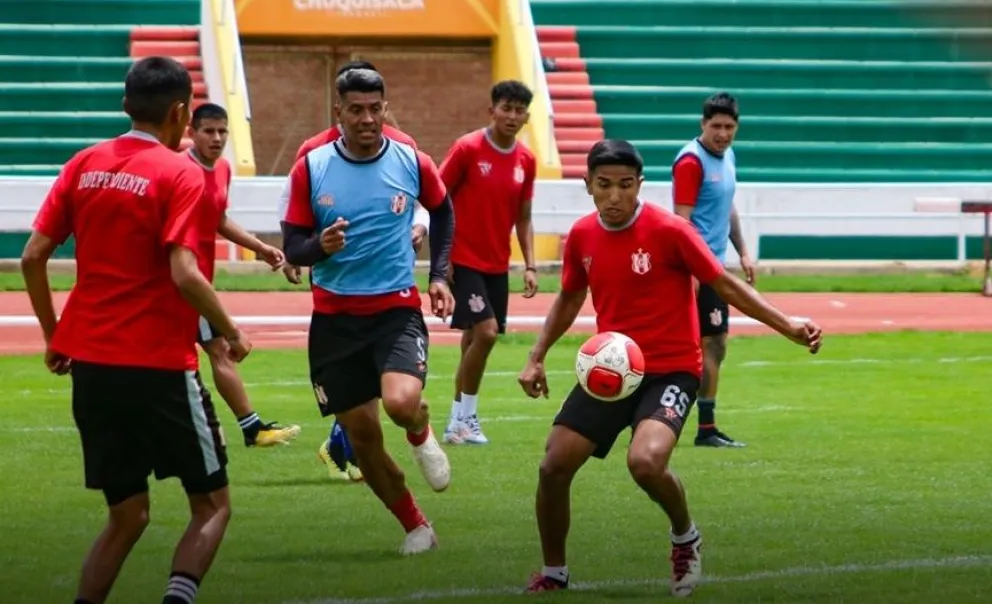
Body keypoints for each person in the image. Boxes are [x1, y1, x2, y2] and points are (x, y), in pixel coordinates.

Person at [517, 140, 821, 597]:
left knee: (645, 462)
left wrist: (786, 324)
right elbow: (570, 296)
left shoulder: (670, 230)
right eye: (604, 185)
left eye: (625, 185)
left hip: (672, 370)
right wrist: (536, 356)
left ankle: (685, 537)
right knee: (553, 466)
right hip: (612, 369)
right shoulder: (581, 236)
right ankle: (554, 573)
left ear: (640, 185)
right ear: (588, 187)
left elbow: (722, 282)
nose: (615, 196)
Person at [20, 56, 251, 604]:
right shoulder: (182, 173)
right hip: (159, 365)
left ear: (126, 106)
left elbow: (33, 257)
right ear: (180, 112)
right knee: (213, 505)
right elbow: (184, 272)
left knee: (127, 515)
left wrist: (55, 335)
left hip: (92, 366)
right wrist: (231, 329)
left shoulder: (83, 164)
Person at [280, 68, 456, 555]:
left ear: (385, 107)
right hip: (334, 321)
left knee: (400, 403)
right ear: (338, 112)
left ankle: (420, 432)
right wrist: (321, 246)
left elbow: (442, 209)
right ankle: (416, 527)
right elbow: (293, 246)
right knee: (362, 436)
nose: (367, 119)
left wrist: (439, 276)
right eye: (355, 110)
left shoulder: (410, 158)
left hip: (395, 310)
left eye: (374, 108)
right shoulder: (310, 167)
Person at [185, 102, 302, 448]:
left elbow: (218, 219)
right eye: (209, 131)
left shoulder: (221, 170)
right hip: (180, 282)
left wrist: (260, 247)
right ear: (191, 133)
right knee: (217, 349)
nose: (217, 138)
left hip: (197, 280)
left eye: (223, 131)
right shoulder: (180, 171)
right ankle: (242, 428)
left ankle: (249, 428)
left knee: (214, 350)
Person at [440, 80, 539, 446]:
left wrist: (530, 264)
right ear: (491, 110)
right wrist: (442, 255)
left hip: (497, 264)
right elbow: (438, 198)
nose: (512, 116)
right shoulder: (467, 148)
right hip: (464, 258)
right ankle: (466, 417)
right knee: (486, 332)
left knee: (472, 341)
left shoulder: (526, 160)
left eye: (519, 110)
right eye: (506, 108)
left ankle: (456, 424)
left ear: (527, 116)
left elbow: (524, 216)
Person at [671, 92, 755, 448]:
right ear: (703, 124)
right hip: (699, 269)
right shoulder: (691, 162)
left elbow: (727, 207)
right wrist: (690, 270)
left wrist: (744, 252)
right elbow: (682, 222)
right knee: (704, 344)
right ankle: (698, 427)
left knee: (715, 345)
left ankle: (704, 426)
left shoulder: (728, 155)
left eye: (729, 127)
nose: (722, 133)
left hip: (716, 267)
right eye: (716, 126)